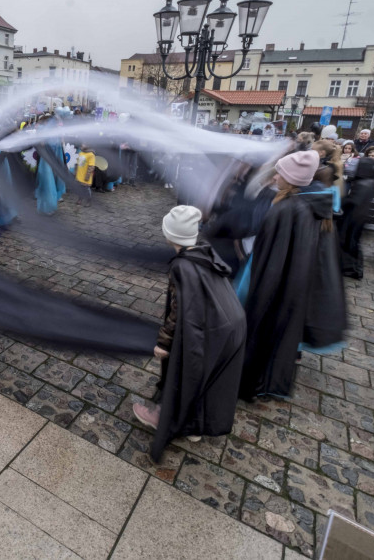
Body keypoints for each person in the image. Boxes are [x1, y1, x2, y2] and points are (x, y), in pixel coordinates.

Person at [132, 206, 246, 457]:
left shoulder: (181, 267)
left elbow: (179, 310)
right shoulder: (204, 252)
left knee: (185, 371)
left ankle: (165, 418)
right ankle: (194, 426)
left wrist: (163, 343)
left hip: (212, 329)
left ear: (169, 236)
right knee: (203, 376)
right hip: (230, 323)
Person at [240, 150, 337, 400]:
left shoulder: (286, 210)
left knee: (261, 331)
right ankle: (267, 382)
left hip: (274, 285)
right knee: (280, 335)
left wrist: (258, 294)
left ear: (292, 179)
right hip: (294, 285)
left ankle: (251, 384)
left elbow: (271, 259)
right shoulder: (312, 204)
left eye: (280, 174)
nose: (274, 179)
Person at [339, 157, 374, 279]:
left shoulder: (362, 183)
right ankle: (353, 268)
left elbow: (354, 201)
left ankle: (353, 269)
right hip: (359, 217)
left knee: (351, 243)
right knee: (353, 242)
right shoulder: (370, 181)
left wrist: (342, 201)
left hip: (354, 218)